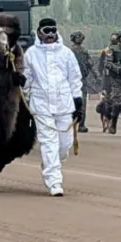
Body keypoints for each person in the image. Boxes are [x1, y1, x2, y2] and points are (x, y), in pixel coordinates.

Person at [23, 18, 83, 196]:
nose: (50, 35)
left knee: (64, 145)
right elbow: (27, 78)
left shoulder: (66, 53)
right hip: (41, 105)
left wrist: (77, 99)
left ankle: (51, 162)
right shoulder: (31, 54)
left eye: (52, 31)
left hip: (64, 104)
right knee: (49, 142)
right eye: (46, 31)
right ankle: (54, 182)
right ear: (39, 33)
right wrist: (22, 84)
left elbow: (74, 78)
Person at [67, 30, 92, 133]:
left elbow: (90, 64)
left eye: (80, 37)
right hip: (71, 80)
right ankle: (71, 123)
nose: (79, 38)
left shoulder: (84, 51)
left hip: (82, 80)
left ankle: (81, 124)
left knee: (83, 103)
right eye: (77, 37)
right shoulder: (69, 51)